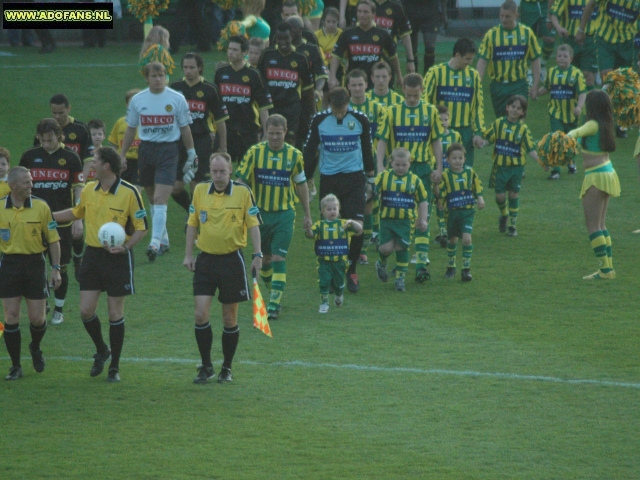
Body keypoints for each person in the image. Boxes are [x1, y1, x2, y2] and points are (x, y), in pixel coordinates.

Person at [53, 147, 148, 382]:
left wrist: (125, 247)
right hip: (93, 255)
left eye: (95, 160)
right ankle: (102, 349)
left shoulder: (129, 192)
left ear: (106, 166)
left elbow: (141, 228)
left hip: (118, 257)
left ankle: (114, 367)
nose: (92, 164)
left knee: (115, 312)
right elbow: (77, 213)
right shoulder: (88, 190)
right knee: (86, 310)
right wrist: (48, 215)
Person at [184, 152, 263, 384]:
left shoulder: (242, 192)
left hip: (232, 261)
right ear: (210, 170)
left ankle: (227, 367)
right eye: (215, 171)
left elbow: (254, 224)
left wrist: (257, 255)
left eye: (223, 171)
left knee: (230, 318)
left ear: (230, 171)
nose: (218, 176)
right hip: (206, 261)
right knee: (200, 315)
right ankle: (206, 365)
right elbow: (192, 223)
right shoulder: (199, 191)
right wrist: (188, 254)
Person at [236, 115, 312, 319]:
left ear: (285, 132)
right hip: (258, 217)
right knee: (266, 260)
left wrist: (307, 214)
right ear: (265, 132)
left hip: (284, 215)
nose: (275, 138)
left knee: (279, 257)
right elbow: (240, 181)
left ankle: (273, 306)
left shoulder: (294, 155)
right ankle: (274, 295)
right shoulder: (254, 153)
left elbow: (301, 184)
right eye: (271, 134)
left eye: (279, 134)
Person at [120, 61, 194, 262]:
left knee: (161, 199)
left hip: (168, 151)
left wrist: (191, 152)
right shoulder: (138, 100)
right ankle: (164, 240)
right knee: (152, 198)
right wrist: (122, 154)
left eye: (161, 75)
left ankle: (154, 243)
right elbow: (130, 128)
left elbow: (185, 127)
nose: (158, 79)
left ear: (166, 76)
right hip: (146, 150)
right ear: (147, 78)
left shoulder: (176, 99)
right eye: (154, 76)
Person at [303, 87, 375, 293]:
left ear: (348, 104)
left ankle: (351, 269)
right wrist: (305, 176)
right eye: (336, 111)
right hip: (330, 181)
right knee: (331, 227)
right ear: (329, 105)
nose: (339, 114)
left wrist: (371, 179)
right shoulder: (319, 120)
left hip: (354, 180)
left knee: (357, 225)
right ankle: (333, 271)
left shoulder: (360, 120)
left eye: (342, 110)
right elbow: (309, 150)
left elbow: (367, 149)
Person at [375, 73, 444, 282]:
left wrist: (439, 167)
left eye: (416, 95)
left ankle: (421, 264)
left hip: (422, 169)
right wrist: (379, 166)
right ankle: (392, 256)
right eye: (409, 94)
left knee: (424, 217)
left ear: (422, 90)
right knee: (398, 214)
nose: (412, 99)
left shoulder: (431, 112)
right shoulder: (392, 111)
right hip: (397, 170)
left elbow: (436, 141)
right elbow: (382, 141)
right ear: (403, 89)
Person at [20, 119, 84, 326]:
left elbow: (78, 188)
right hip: (34, 221)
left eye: (50, 140)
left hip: (62, 221)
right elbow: (20, 186)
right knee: (35, 263)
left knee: (61, 266)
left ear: (59, 136)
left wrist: (78, 218)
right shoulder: (29, 156)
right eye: (43, 140)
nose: (46, 144)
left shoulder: (72, 158)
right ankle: (43, 302)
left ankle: (59, 307)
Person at [1, 166, 62, 381]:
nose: (31, 185)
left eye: (31, 181)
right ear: (14, 185)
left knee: (37, 318)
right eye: (26, 182)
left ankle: (35, 347)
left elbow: (53, 240)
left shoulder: (41, 206)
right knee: (11, 317)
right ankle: (16, 366)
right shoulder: (0, 207)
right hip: (9, 265)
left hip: (35, 264)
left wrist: (56, 269)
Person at [565, 90, 620, 279]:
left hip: (596, 176)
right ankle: (608, 268)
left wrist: (563, 138)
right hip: (608, 172)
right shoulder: (606, 123)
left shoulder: (592, 124)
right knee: (601, 224)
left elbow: (575, 132)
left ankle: (605, 270)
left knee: (592, 225)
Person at [171, 53, 229, 219]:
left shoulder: (210, 90)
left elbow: (220, 121)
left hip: (201, 141)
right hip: (179, 142)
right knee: (175, 187)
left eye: (192, 67)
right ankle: (193, 213)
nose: (188, 71)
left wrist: (222, 147)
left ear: (200, 68)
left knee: (197, 186)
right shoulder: (175, 88)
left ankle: (196, 221)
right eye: (185, 67)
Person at [576, 0, 640, 138]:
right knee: (608, 78)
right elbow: (591, 4)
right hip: (605, 40)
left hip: (627, 42)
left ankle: (622, 122)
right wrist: (581, 29)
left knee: (624, 84)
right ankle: (600, 118)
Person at [480, 95, 539, 237]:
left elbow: (531, 148)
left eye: (519, 108)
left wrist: (542, 163)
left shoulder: (523, 129)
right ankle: (504, 214)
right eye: (513, 107)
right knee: (500, 197)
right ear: (507, 107)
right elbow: (488, 138)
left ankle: (513, 225)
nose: (515, 110)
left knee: (513, 194)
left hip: (516, 169)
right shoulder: (498, 123)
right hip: (500, 167)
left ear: (523, 112)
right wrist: (481, 143)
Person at [422, 38, 486, 167]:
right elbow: (424, 102)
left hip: (465, 132)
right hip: (441, 130)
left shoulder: (473, 76)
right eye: (467, 59)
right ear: (457, 55)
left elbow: (478, 105)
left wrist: (479, 132)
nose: (470, 62)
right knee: (439, 171)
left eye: (472, 59)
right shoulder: (435, 72)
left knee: (464, 172)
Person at [374, 147, 429, 292]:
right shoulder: (384, 177)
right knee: (386, 249)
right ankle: (382, 263)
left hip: (406, 222)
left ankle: (400, 279)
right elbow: (373, 191)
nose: (400, 168)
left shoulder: (415, 180)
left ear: (410, 163)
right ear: (390, 162)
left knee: (401, 248)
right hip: (387, 220)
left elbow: (423, 201)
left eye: (404, 165)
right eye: (397, 164)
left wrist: (423, 219)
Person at [477, 0, 543, 118]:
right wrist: (477, 83)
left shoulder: (527, 33)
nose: (503, 19)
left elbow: (535, 59)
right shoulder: (491, 35)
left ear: (516, 16)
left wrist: (535, 84)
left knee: (518, 120)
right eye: (501, 16)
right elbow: (482, 61)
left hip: (519, 84)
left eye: (508, 16)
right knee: (502, 123)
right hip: (498, 86)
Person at [346, 68, 385, 263]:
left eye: (360, 84)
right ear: (348, 87)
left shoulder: (378, 109)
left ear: (366, 85)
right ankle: (361, 243)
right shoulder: (344, 110)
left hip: (372, 162)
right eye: (353, 85)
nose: (357, 88)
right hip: (350, 164)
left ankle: (365, 246)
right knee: (357, 204)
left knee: (370, 203)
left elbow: (385, 136)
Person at [215, 36, 273, 162]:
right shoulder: (220, 72)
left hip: (248, 130)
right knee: (220, 170)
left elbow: (264, 107)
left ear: (245, 52)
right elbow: (215, 105)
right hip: (226, 131)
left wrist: (266, 134)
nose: (230, 52)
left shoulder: (254, 74)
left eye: (235, 50)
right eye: (229, 49)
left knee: (250, 172)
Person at [257, 21, 315, 145]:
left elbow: (308, 89)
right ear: (275, 38)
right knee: (269, 141)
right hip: (271, 107)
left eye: (286, 38)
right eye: (279, 38)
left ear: (292, 36)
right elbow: (259, 84)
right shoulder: (267, 55)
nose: (283, 42)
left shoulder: (300, 58)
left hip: (292, 108)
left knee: (289, 142)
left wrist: (312, 114)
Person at [305, 194, 363, 313]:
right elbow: (311, 235)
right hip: (324, 261)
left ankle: (339, 294)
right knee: (324, 282)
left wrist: (351, 221)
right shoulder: (319, 225)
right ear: (323, 211)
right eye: (329, 209)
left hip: (340, 262)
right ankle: (324, 302)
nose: (332, 211)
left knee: (339, 284)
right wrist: (308, 229)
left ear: (338, 209)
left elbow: (359, 229)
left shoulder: (344, 224)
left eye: (334, 209)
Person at [536, 44, 587, 179]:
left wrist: (579, 107)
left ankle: (571, 161)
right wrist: (536, 93)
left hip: (572, 114)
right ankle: (556, 170)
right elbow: (547, 88)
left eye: (565, 56)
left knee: (569, 140)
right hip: (555, 112)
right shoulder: (552, 72)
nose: (561, 59)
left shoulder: (576, 74)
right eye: (559, 56)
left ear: (571, 58)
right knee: (556, 139)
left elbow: (582, 93)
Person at [437, 143, 485, 282]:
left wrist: (480, 198)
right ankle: (451, 266)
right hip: (452, 213)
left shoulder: (470, 173)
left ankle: (466, 270)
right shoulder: (445, 176)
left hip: (467, 212)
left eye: (460, 158)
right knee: (452, 240)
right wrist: (440, 201)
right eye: (454, 158)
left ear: (464, 159)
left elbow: (477, 187)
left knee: (466, 238)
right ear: (447, 160)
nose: (457, 161)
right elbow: (441, 192)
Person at [329, 0, 403, 90]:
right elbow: (336, 56)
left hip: (374, 81)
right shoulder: (348, 33)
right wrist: (332, 77)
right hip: (353, 81)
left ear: (373, 14)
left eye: (366, 12)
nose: (361, 15)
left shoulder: (382, 33)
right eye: (359, 11)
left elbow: (393, 56)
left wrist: (399, 76)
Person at [286, 15, 328, 152]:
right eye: (287, 27)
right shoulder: (281, 49)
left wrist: (318, 90)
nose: (289, 31)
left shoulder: (311, 49)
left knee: (307, 131)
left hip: (307, 98)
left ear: (301, 29)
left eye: (292, 27)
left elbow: (321, 74)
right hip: (286, 98)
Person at [549, 0, 600, 89]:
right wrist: (558, 28)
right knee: (570, 75)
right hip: (570, 40)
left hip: (589, 39)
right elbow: (554, 14)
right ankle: (573, 100)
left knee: (587, 74)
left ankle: (589, 101)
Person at [434, 104, 462, 247]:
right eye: (440, 120)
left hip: (452, 175)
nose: (443, 123)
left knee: (452, 202)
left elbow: (460, 154)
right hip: (438, 174)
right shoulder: (433, 136)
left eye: (445, 119)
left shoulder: (455, 135)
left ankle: (453, 228)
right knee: (439, 201)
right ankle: (443, 230)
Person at [369, 0, 415, 75]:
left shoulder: (396, 5)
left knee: (387, 84)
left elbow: (405, 33)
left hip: (389, 54)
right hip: (367, 53)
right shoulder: (366, 3)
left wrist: (410, 60)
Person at [403, 0, 448, 74]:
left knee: (430, 47)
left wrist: (444, 14)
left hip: (431, 11)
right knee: (412, 49)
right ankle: (413, 78)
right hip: (410, 10)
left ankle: (428, 76)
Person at [108, 89, 142, 185]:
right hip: (124, 161)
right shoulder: (120, 122)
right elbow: (113, 145)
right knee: (121, 188)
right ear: (127, 105)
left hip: (139, 162)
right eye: (132, 103)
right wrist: (115, 161)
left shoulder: (146, 123)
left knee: (137, 189)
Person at [518, 0, 556, 81]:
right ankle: (527, 70)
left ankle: (542, 64)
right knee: (526, 39)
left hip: (546, 4)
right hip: (528, 5)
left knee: (550, 39)